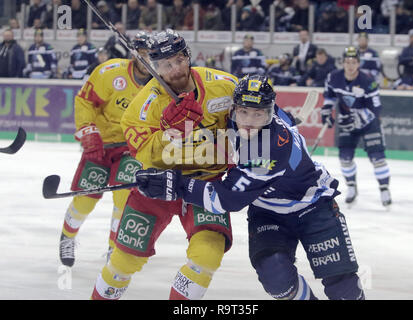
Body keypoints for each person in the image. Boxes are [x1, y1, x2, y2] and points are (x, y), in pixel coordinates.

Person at [134, 74, 365, 300]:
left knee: (343, 287)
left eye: (258, 115)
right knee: (276, 277)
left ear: (269, 114)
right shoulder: (241, 118)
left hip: (313, 207)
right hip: (268, 213)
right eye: (244, 112)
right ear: (234, 109)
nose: (248, 122)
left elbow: (225, 200)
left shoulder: (272, 148)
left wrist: (175, 185)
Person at [90, 29, 238, 300]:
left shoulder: (224, 85)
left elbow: (257, 117)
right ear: (155, 67)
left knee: (208, 254)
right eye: (166, 65)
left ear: (188, 56)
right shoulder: (142, 107)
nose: (176, 69)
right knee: (124, 262)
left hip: (205, 185)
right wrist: (171, 132)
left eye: (180, 60)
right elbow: (145, 155)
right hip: (159, 184)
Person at [58, 32, 153, 268]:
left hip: (132, 149)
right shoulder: (110, 72)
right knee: (86, 198)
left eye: (153, 57)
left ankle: (114, 248)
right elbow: (84, 101)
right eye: (143, 56)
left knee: (124, 196)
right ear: (134, 54)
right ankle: (67, 237)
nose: (147, 62)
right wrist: (89, 132)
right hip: (100, 145)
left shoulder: (161, 85)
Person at [321, 47, 391, 207]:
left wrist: (360, 118)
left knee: (377, 158)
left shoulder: (368, 80)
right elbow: (329, 96)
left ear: (358, 63)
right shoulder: (333, 77)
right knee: (345, 158)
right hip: (346, 122)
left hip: (369, 123)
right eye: (347, 62)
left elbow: (376, 107)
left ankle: (384, 188)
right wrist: (326, 111)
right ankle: (351, 187)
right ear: (343, 63)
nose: (350, 65)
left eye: (353, 62)